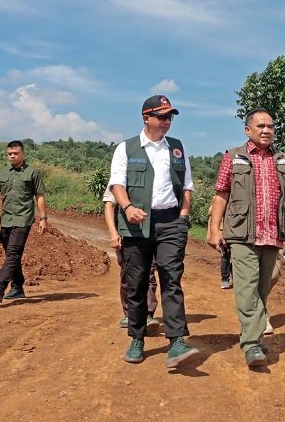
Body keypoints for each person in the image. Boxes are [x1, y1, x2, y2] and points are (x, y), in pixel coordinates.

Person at [208, 107, 285, 368]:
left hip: (272, 235)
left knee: (262, 289)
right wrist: (214, 228)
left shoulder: (282, 160)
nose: (267, 130)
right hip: (243, 234)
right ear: (248, 130)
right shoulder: (233, 158)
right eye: (261, 126)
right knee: (246, 288)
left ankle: (254, 334)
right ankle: (252, 344)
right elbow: (221, 193)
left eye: (270, 126)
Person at [108, 94, 198, 366]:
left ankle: (177, 341)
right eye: (161, 116)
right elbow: (117, 185)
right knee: (136, 282)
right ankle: (137, 338)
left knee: (172, 279)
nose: (167, 121)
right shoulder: (127, 148)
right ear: (146, 117)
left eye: (170, 117)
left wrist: (182, 216)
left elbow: (187, 187)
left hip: (170, 222)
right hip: (136, 223)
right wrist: (127, 208)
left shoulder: (177, 148)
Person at [0, 140, 47, 302]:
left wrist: (43, 218)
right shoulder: (2, 174)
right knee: (12, 255)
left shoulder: (32, 173)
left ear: (23, 154)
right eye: (10, 154)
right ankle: (17, 288)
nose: (12, 156)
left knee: (13, 253)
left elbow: (40, 196)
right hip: (6, 220)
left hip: (23, 219)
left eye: (16, 153)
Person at [102, 185, 160, 332]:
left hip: (148, 233)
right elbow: (109, 206)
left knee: (150, 271)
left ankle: (147, 313)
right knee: (129, 274)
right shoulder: (119, 177)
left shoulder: (153, 177)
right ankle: (130, 313)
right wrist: (113, 233)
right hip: (126, 235)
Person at [207, 195, 233, 289]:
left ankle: (234, 278)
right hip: (223, 230)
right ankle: (225, 280)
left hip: (234, 231)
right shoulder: (218, 199)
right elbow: (212, 214)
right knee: (225, 255)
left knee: (235, 256)